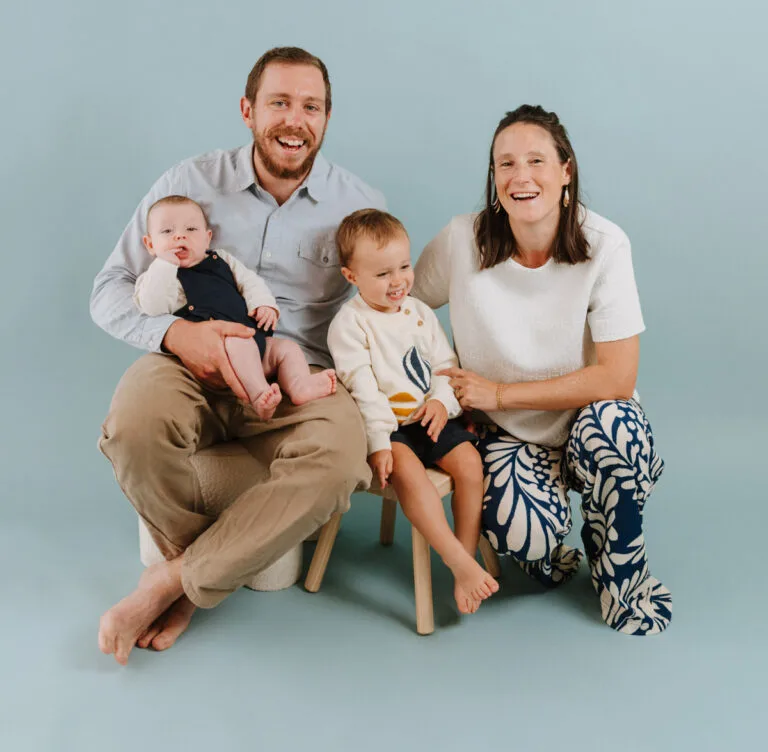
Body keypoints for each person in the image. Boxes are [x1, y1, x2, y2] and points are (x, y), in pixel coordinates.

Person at [91, 46, 384, 664]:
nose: (294, 120)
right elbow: (110, 290)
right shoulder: (186, 185)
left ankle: (175, 583)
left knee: (338, 463)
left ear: (328, 118)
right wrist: (175, 336)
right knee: (132, 425)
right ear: (248, 110)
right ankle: (200, 562)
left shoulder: (359, 205)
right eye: (279, 103)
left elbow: (378, 309)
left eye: (311, 106)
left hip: (292, 371)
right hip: (188, 362)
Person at [414, 104, 672, 636]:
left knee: (617, 433)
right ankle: (552, 553)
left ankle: (619, 572)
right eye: (505, 164)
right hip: (509, 436)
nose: (520, 176)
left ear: (565, 172)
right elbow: (402, 308)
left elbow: (617, 377)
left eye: (536, 160)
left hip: (591, 427)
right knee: (524, 535)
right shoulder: (463, 239)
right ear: (493, 177)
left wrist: (501, 393)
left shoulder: (605, 245)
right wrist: (435, 380)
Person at [327, 209, 498, 615]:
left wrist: (442, 400)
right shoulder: (351, 324)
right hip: (390, 430)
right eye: (382, 274)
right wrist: (380, 441)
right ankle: (457, 560)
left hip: (428, 417)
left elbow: (444, 363)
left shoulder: (418, 312)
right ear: (351, 277)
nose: (398, 280)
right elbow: (363, 389)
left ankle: (465, 559)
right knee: (409, 474)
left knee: (471, 465)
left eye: (403, 267)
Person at [135, 194, 337, 418]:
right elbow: (154, 306)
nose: (180, 236)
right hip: (218, 351)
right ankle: (259, 395)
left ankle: (299, 385)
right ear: (150, 244)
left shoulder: (222, 260)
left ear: (207, 238)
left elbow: (249, 282)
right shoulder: (159, 277)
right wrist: (165, 264)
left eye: (191, 229)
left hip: (255, 340)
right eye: (167, 232)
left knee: (286, 349)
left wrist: (263, 304)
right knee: (240, 343)